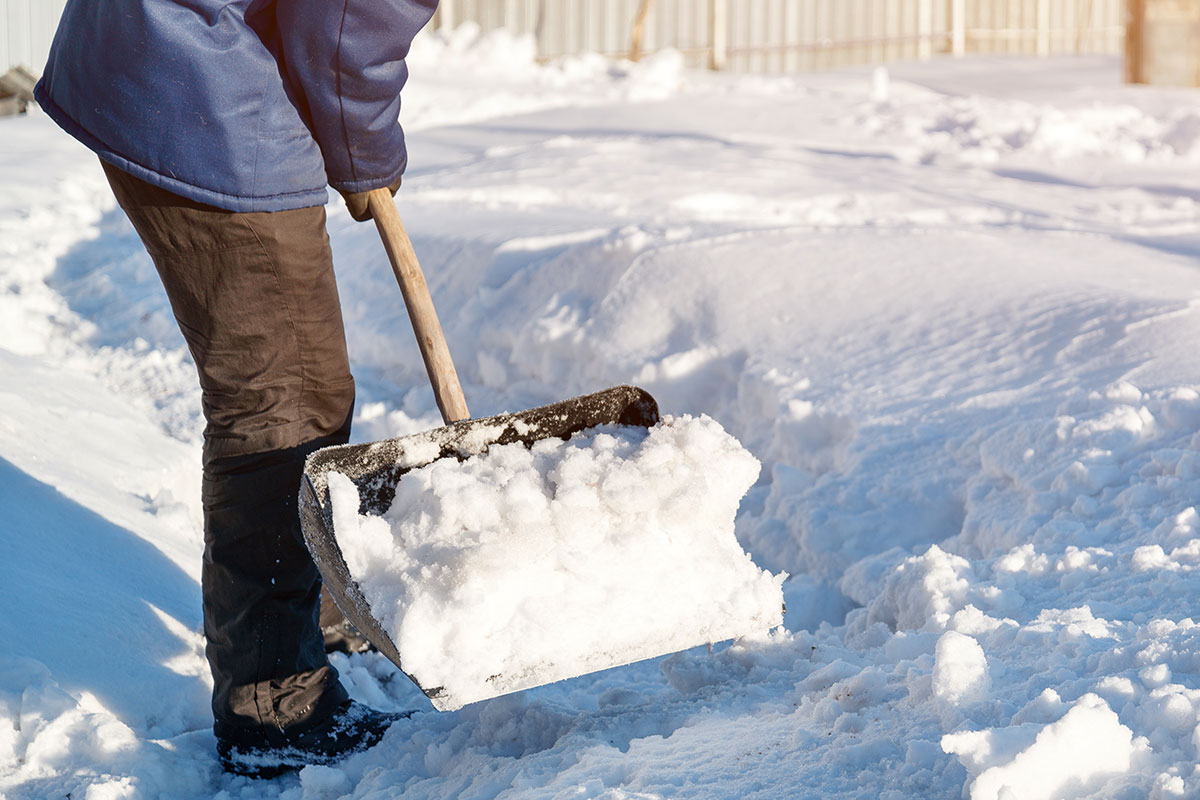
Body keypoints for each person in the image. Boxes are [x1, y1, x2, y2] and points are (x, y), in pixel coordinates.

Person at [34, 0, 439, 778]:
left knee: (301, 388)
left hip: (161, 51)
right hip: (196, 77)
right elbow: (349, 27)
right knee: (284, 404)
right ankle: (274, 704)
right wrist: (364, 155)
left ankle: (307, 607)